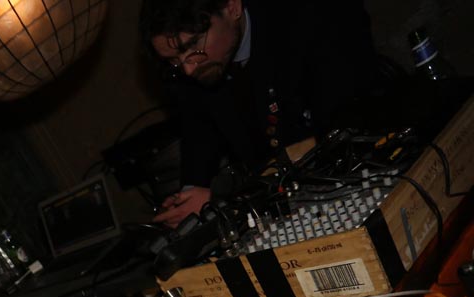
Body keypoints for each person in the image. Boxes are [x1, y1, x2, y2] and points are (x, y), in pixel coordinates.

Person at [141, 0, 383, 227]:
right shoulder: (189, 71)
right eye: (174, 60)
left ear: (232, 7)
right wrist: (189, 198)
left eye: (194, 45)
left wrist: (224, 196)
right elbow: (198, 133)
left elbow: (338, 133)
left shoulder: (314, 17)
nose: (188, 68)